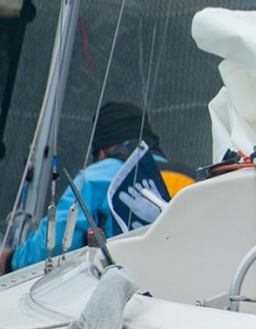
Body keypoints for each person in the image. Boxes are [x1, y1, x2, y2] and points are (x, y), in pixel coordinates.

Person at [5, 102, 174, 271]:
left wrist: (10, 260)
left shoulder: (97, 175)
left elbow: (55, 244)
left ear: (101, 153)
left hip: (124, 288)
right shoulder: (187, 177)